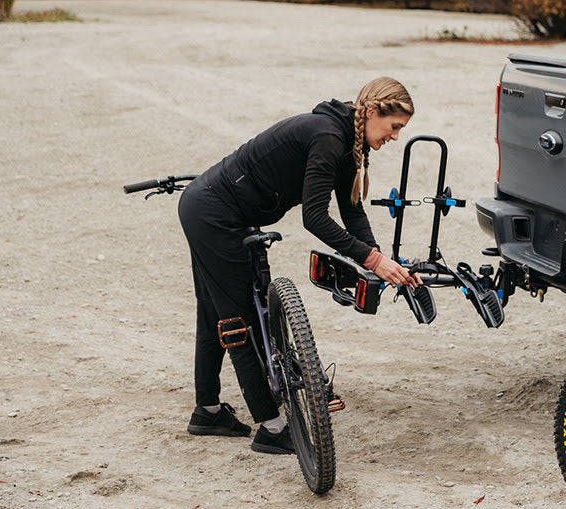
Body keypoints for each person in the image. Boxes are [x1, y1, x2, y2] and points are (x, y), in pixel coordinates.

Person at [178, 76, 422, 455]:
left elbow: (352, 211)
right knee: (238, 320)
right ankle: (272, 428)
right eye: (394, 127)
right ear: (372, 112)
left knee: (215, 311)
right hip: (214, 215)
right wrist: (373, 259)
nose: (395, 137)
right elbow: (315, 218)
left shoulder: (348, 142)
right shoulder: (328, 136)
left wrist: (381, 263)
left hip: (217, 211)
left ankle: (208, 411)